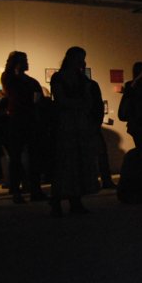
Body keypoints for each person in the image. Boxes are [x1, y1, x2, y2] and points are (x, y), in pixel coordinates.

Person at [48, 46, 98, 217]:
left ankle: (74, 200)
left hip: (78, 124)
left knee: (76, 163)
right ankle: (58, 200)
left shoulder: (80, 79)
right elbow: (62, 100)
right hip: (67, 124)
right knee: (66, 163)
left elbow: (87, 100)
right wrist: (80, 103)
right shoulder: (60, 78)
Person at [0, 51, 48, 204]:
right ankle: (19, 191)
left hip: (28, 120)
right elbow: (16, 94)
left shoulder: (28, 80)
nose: (27, 62)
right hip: (19, 120)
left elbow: (37, 98)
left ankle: (33, 189)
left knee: (32, 157)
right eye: (24, 60)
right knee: (17, 157)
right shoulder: (12, 78)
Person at [89, 78, 116, 190]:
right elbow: (99, 105)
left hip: (88, 125)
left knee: (96, 154)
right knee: (101, 154)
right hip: (92, 125)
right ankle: (105, 180)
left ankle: (94, 182)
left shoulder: (88, 84)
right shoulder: (91, 84)